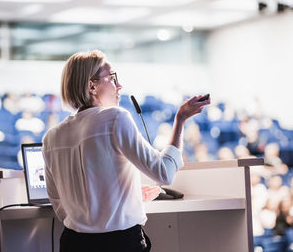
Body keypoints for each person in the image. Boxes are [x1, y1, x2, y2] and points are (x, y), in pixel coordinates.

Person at [42, 50, 209, 252]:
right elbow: (164, 173)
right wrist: (180, 119)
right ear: (92, 86)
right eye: (112, 78)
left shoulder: (51, 137)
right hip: (118, 244)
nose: (119, 86)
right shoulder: (115, 118)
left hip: (73, 243)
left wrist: (120, 199)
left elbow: (59, 202)